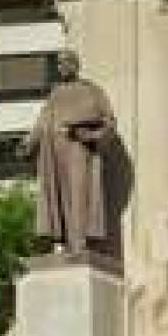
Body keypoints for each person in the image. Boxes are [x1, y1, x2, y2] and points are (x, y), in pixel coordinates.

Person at [19, 49, 116, 255]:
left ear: (75, 64)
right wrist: (28, 143)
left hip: (78, 150)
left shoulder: (92, 91)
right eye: (59, 64)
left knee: (79, 194)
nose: (62, 67)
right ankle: (66, 244)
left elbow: (109, 123)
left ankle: (80, 243)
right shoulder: (55, 94)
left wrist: (89, 136)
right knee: (61, 200)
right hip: (54, 154)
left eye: (66, 63)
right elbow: (42, 122)